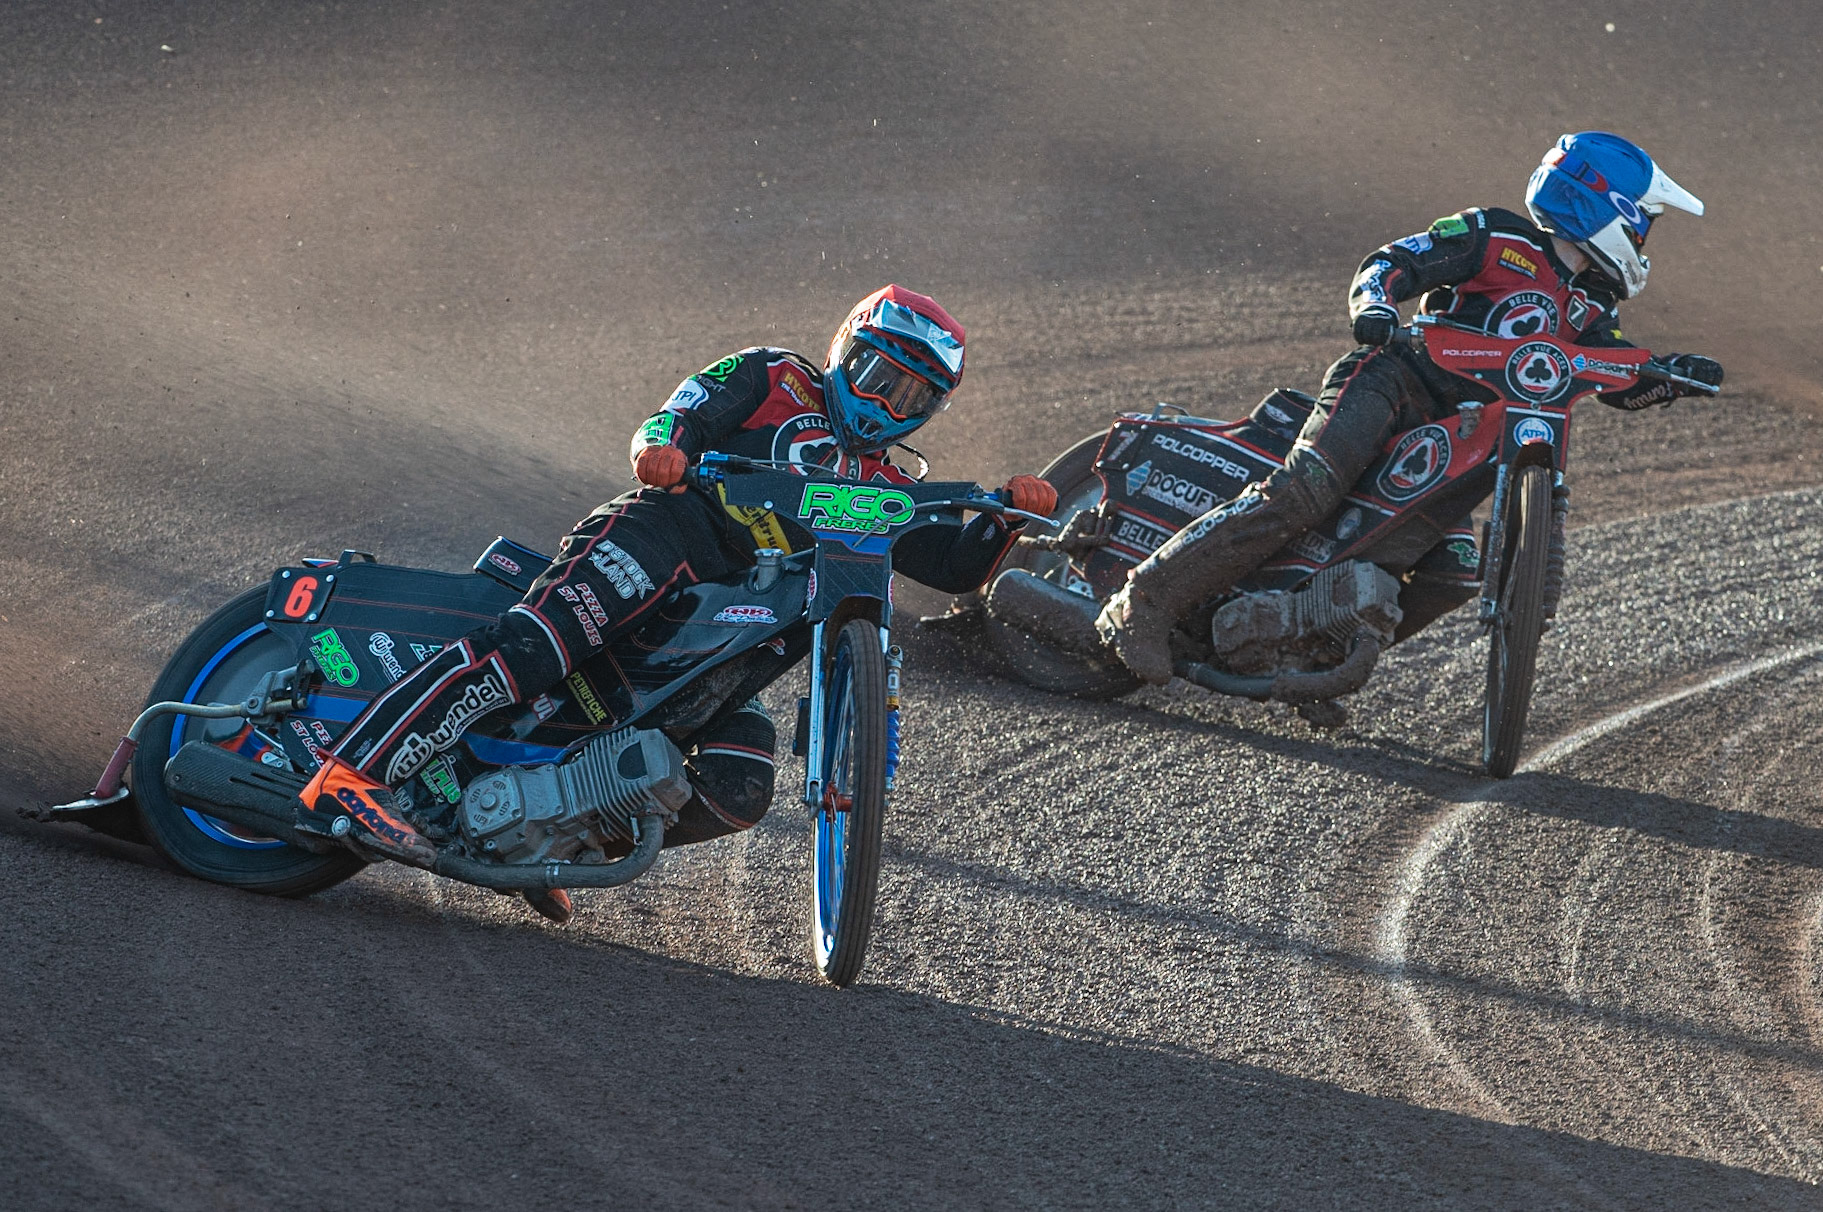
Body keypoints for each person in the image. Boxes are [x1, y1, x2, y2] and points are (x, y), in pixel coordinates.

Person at [292, 285, 1058, 918]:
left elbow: (955, 568)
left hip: (731, 639)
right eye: (876, 375)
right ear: (841, 352)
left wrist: (1007, 517)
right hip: (666, 537)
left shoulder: (887, 490)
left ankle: (552, 838)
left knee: (741, 784)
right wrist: (660, 450)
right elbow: (678, 416)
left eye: (912, 394)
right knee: (539, 644)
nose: (887, 400)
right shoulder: (771, 376)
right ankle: (350, 770)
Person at [1096, 131, 1726, 685]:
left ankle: (1310, 652)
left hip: (1464, 442)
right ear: (1606, 207)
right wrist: (1374, 306)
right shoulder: (1496, 236)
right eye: (1644, 220)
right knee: (1304, 491)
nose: (1645, 237)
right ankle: (1142, 604)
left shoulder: (1593, 310)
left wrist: (1670, 376)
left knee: (1453, 571)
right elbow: (1394, 262)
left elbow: (1618, 377)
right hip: (1394, 380)